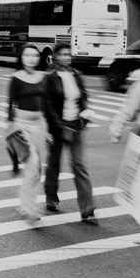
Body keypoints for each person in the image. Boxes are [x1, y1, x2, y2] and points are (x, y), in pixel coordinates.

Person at [42, 43, 97, 223]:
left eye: (69, 54)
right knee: (54, 165)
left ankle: (87, 207)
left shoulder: (76, 75)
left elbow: (83, 97)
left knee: (79, 165)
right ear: (55, 57)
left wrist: (85, 113)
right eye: (63, 54)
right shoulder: (50, 77)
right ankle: (51, 197)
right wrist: (59, 127)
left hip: (76, 126)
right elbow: (48, 106)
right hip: (58, 128)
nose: (66, 57)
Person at [7, 44, 47, 223]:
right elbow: (10, 105)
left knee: (37, 171)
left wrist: (49, 131)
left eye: (34, 55)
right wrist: (10, 132)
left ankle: (29, 205)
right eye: (27, 55)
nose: (31, 58)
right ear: (21, 58)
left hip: (39, 125)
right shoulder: (16, 78)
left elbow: (46, 103)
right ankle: (27, 208)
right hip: (21, 126)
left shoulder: (42, 77)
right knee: (32, 166)